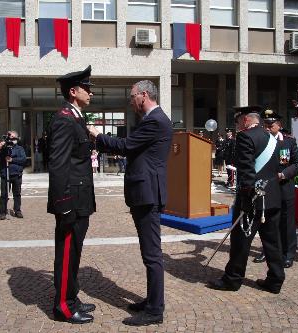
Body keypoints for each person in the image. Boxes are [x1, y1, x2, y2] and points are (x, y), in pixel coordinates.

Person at [88, 80, 172, 326]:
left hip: (147, 195)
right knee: (150, 254)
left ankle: (155, 311)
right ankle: (152, 301)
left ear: (144, 95)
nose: (130, 100)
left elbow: (126, 146)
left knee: (152, 255)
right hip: (145, 193)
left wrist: (98, 135)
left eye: (132, 96)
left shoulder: (155, 120)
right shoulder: (152, 120)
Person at [207, 107, 285, 294]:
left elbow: (247, 172)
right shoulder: (271, 138)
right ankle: (275, 280)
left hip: (252, 200)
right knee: (273, 242)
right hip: (272, 197)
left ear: (246, 119)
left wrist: (246, 198)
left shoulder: (246, 137)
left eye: (238, 121)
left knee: (240, 241)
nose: (237, 124)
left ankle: (232, 279)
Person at [47, 66, 96, 324]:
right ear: (73, 91)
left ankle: (72, 297)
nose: (91, 92)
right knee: (67, 253)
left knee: (75, 252)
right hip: (71, 201)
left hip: (80, 198)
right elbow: (58, 165)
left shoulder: (76, 117)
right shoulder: (64, 118)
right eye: (86, 88)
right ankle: (63, 307)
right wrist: (62, 203)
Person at [253, 110, 298, 268]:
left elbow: (297, 163)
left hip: (284, 188)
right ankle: (268, 251)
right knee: (267, 222)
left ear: (279, 125)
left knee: (286, 223)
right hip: (266, 190)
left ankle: (288, 253)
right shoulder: (261, 142)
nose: (267, 128)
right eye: (265, 125)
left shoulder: (288, 142)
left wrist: (285, 174)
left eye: (270, 125)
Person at [0, 131, 26, 220]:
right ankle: (3, 212)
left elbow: (23, 160)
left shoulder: (20, 148)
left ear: (17, 139)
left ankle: (17, 210)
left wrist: (12, 160)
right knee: (4, 194)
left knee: (17, 194)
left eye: (14, 138)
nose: (12, 140)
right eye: (10, 138)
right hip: (5, 174)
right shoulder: (4, 148)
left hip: (16, 175)